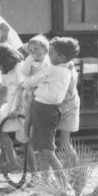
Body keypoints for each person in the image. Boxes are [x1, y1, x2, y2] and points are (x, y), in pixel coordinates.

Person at [22, 37, 80, 175]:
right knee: (47, 147)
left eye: (52, 52)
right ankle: (47, 179)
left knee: (64, 144)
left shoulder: (63, 69)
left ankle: (75, 173)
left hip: (67, 107)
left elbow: (64, 92)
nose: (49, 55)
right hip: (54, 108)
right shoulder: (63, 65)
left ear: (61, 56)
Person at [0, 43, 26, 172]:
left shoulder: (18, 68)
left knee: (4, 130)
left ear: (5, 60)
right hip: (10, 102)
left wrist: (19, 108)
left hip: (19, 101)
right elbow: (1, 89)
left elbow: (22, 88)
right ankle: (12, 159)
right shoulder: (4, 72)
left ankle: (13, 160)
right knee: (0, 129)